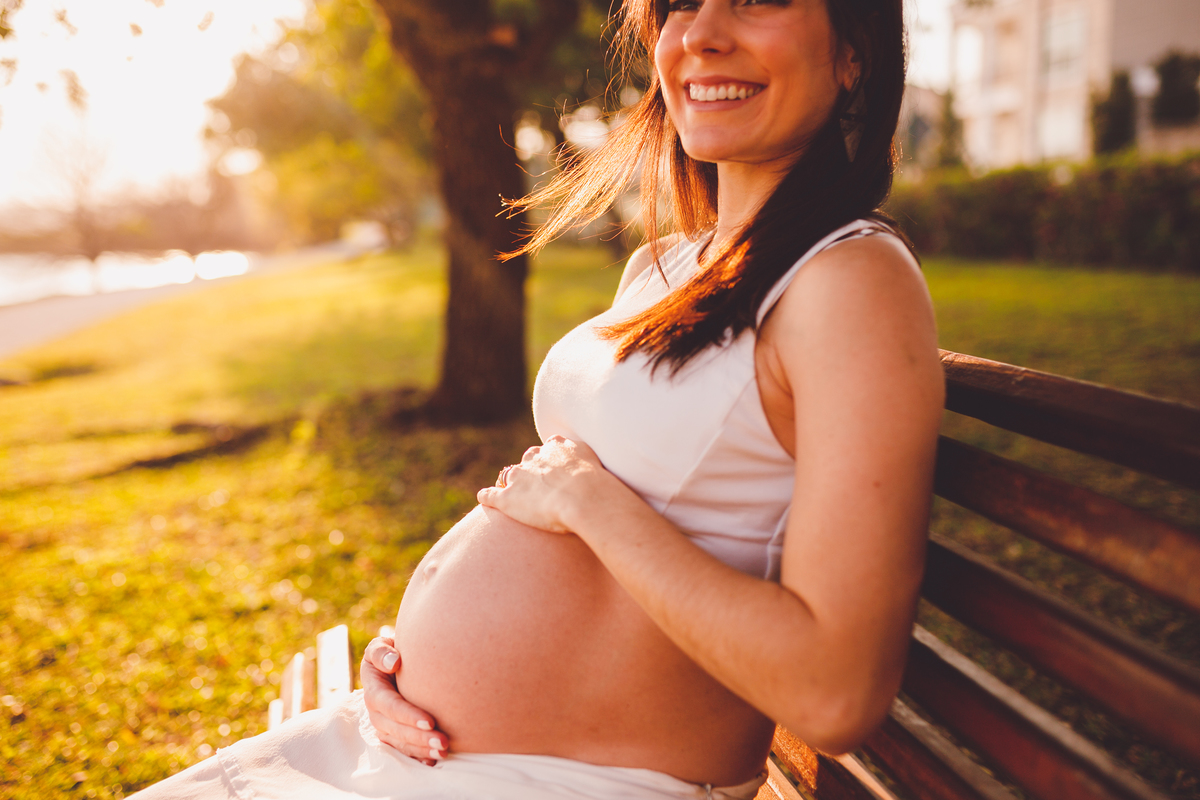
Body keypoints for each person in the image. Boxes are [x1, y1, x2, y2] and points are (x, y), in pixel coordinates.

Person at [134, 0, 942, 797]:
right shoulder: (663, 265)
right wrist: (409, 663)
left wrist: (593, 505)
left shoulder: (849, 280)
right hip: (416, 756)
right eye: (680, 4)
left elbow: (833, 695)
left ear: (854, 50)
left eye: (757, 0)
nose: (701, 34)